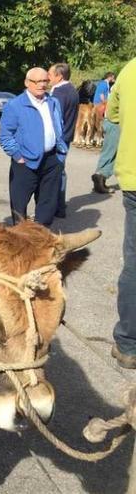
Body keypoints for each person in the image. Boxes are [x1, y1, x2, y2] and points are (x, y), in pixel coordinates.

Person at [0, 67, 67, 227]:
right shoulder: (15, 105)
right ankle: (20, 239)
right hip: (25, 161)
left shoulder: (53, 102)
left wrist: (60, 154)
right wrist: (17, 156)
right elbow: (5, 135)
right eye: (37, 81)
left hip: (51, 160)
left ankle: (40, 236)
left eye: (45, 81)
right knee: (19, 207)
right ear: (27, 82)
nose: (41, 85)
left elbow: (59, 127)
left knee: (48, 205)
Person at [108, 57, 136, 368]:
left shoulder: (129, 69)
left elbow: (113, 114)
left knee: (134, 263)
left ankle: (129, 345)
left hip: (133, 178)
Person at [49, 62, 79, 218]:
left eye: (50, 75)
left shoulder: (60, 93)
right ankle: (59, 206)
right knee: (60, 172)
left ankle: (57, 207)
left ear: (59, 76)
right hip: (66, 136)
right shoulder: (72, 90)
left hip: (59, 139)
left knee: (55, 173)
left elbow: (55, 118)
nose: (47, 78)